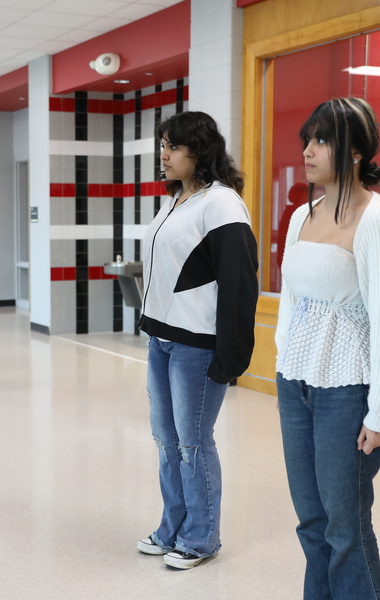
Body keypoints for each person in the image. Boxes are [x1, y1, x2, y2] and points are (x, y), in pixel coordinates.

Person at [274, 97, 380, 600]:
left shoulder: (378, 217)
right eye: (307, 138)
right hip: (298, 384)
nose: (307, 150)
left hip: (348, 388)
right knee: (310, 517)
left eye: (322, 141)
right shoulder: (302, 213)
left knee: (344, 521)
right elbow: (291, 300)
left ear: (356, 151)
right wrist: (285, 362)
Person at [135, 111, 258, 570]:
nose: (162, 155)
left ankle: (200, 538)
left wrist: (232, 354)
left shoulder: (222, 204)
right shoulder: (175, 200)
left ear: (199, 152)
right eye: (162, 145)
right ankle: (173, 526)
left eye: (172, 147)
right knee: (166, 441)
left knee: (192, 443)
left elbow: (241, 282)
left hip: (197, 345)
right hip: (161, 340)